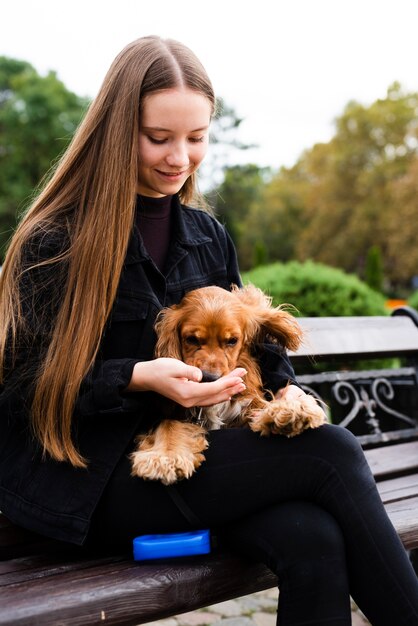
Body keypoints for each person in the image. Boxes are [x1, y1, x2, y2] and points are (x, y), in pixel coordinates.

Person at [0, 36, 417, 626]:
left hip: (205, 462)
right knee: (332, 452)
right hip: (94, 481)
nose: (180, 158)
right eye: (159, 138)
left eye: (196, 139)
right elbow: (20, 389)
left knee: (313, 538)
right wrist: (139, 377)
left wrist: (288, 388)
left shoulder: (207, 235)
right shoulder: (54, 241)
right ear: (117, 131)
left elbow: (262, 348)